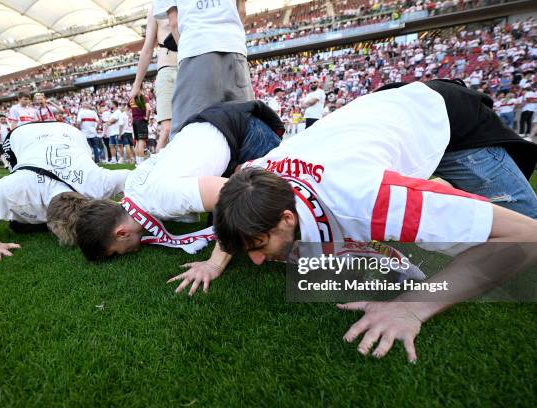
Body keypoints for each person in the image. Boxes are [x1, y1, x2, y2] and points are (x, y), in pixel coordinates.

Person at [210, 80, 537, 362]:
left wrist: (412, 306)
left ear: (286, 217)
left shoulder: (369, 201)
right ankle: (437, 192)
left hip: (447, 115)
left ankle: (438, 191)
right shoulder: (258, 174)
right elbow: (237, 204)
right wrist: (214, 263)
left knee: (523, 227)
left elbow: (526, 237)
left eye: (258, 245)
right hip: (379, 112)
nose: (254, 261)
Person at [56, 101, 285, 261]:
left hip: (246, 131)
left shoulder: (163, 199)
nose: (124, 254)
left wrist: (215, 264)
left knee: (277, 220)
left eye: (115, 252)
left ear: (121, 233)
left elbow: (238, 194)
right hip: (214, 124)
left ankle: (317, 270)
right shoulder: (134, 185)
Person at [0, 121, 129, 263]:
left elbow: (139, 181)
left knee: (21, 225)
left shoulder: (97, 181)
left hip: (69, 132)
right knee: (19, 224)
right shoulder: (16, 188)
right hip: (21, 134)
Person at [154, 0, 253, 137]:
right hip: (234, 46)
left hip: (196, 47)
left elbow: (174, 23)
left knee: (188, 132)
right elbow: (241, 11)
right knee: (244, 129)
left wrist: (185, 50)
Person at [129, 4, 177, 152]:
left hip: (190, 67)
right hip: (166, 70)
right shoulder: (157, 7)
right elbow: (147, 48)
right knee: (166, 131)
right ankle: (157, 173)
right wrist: (137, 84)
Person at [129, 92, 151, 165]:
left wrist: (131, 118)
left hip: (135, 121)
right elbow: (149, 109)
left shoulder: (131, 99)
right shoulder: (143, 97)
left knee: (137, 143)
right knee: (141, 143)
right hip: (141, 121)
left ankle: (138, 162)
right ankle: (141, 163)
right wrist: (147, 117)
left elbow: (127, 109)